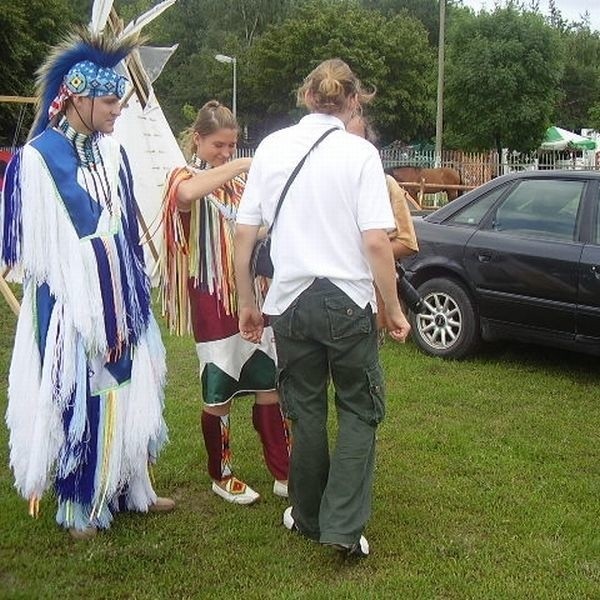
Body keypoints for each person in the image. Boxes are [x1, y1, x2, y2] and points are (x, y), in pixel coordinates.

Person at [0, 29, 174, 540]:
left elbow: (124, 228)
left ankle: (130, 486)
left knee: (130, 385)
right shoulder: (40, 158)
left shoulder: (112, 151)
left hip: (123, 298)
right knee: (81, 395)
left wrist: (128, 285)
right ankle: (79, 504)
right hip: (73, 308)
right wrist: (84, 302)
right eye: (109, 100)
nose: (119, 109)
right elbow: (38, 253)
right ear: (77, 97)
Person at [234, 58, 411, 557]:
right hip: (345, 299)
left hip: (288, 302)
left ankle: (307, 515)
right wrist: (393, 309)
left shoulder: (270, 148)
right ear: (354, 100)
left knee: (305, 410)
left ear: (306, 96)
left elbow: (244, 234)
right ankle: (343, 526)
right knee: (359, 408)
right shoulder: (359, 155)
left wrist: (249, 302)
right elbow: (377, 241)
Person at [160, 100, 289, 505]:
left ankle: (284, 471)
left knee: (268, 380)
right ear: (197, 139)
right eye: (219, 145)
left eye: (232, 146)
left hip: (253, 293)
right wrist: (241, 165)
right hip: (212, 295)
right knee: (219, 389)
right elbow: (187, 194)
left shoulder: (237, 186)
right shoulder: (182, 175)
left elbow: (256, 223)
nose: (226, 153)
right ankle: (221, 473)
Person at [346, 114, 419, 334]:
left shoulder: (385, 184)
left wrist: (366, 249)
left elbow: (408, 242)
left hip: (368, 297)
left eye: (355, 140)